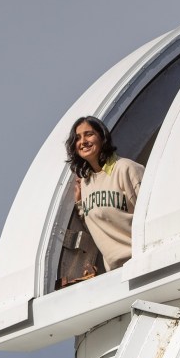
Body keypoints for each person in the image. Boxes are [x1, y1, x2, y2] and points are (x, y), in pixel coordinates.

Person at [67, 115, 144, 271]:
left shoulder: (126, 169)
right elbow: (97, 223)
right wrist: (80, 204)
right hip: (117, 272)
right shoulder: (86, 182)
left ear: (102, 138)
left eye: (89, 134)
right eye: (78, 138)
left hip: (143, 261)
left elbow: (152, 213)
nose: (83, 141)